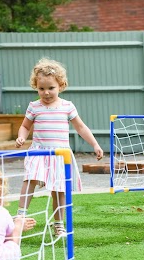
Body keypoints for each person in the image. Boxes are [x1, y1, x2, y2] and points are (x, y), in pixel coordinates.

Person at [15, 57, 104, 237]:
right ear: (36, 87)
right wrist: (21, 137)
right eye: (41, 89)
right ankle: (20, 216)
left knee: (59, 191)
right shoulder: (34, 107)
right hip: (39, 151)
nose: (46, 93)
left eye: (51, 88)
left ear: (61, 85)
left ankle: (58, 225)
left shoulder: (67, 106)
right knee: (29, 180)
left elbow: (81, 127)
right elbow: (25, 126)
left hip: (59, 154)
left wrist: (94, 144)